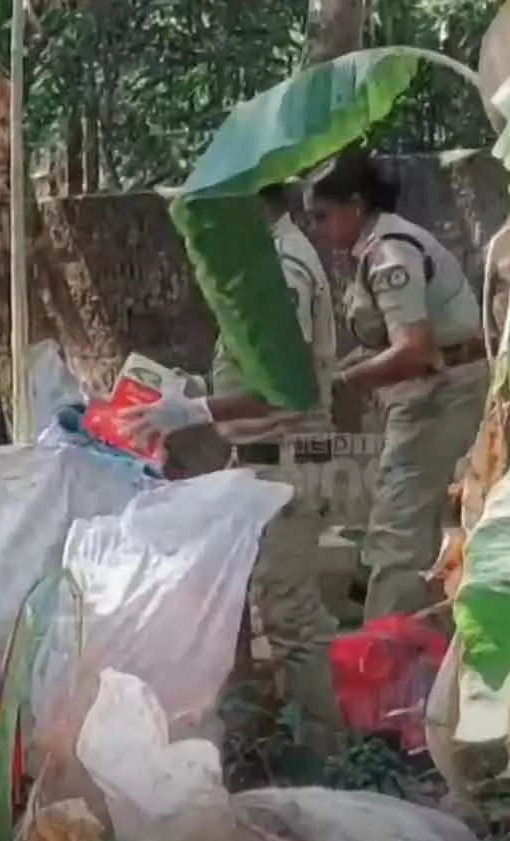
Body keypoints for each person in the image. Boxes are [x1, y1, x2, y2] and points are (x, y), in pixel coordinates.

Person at [119, 182, 346, 759]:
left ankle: (325, 753)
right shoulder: (264, 265)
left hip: (290, 459)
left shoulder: (285, 272)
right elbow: (254, 371)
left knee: (290, 615)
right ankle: (279, 735)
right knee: (255, 600)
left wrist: (193, 412)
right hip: (265, 460)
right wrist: (190, 392)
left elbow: (286, 389)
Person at [305, 148, 489, 623]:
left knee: (398, 531)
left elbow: (415, 350)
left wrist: (343, 383)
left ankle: (386, 648)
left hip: (441, 393)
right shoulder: (378, 245)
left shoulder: (389, 252)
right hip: (432, 391)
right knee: (407, 518)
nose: (316, 230)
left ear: (356, 206)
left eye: (322, 215)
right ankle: (416, 632)